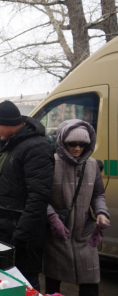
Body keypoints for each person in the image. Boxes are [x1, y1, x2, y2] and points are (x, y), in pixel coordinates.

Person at [0, 101, 54, 291]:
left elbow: (38, 197)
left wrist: (21, 235)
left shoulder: (36, 148)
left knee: (25, 281)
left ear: (11, 123)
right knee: (2, 281)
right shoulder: (7, 143)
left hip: (21, 234)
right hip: (0, 228)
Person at [43, 119, 110, 296]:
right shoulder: (50, 163)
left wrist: (102, 213)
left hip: (84, 234)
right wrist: (52, 218)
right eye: (72, 143)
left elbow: (98, 195)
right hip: (57, 233)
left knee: (90, 283)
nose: (77, 149)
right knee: (53, 283)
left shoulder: (92, 165)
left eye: (83, 144)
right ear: (61, 141)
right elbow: (41, 197)